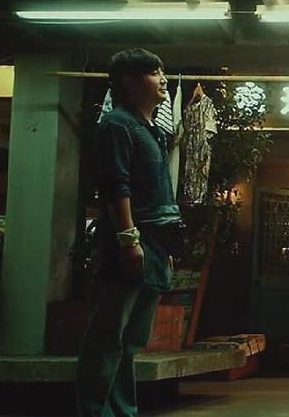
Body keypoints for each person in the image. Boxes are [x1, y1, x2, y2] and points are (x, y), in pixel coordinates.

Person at [76, 48, 183, 417]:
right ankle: (95, 410)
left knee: (132, 340)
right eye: (154, 72)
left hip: (154, 243)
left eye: (162, 71)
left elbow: (157, 192)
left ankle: (123, 410)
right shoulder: (117, 125)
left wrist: (162, 249)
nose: (163, 79)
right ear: (129, 81)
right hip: (128, 243)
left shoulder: (153, 130)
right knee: (108, 337)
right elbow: (115, 186)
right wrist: (128, 239)